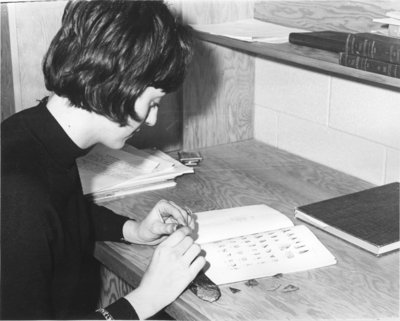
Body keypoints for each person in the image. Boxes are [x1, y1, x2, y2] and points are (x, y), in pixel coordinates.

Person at [1, 0, 206, 319]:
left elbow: (60, 216)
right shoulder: (17, 193)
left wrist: (133, 229)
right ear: (120, 83)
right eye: (153, 102)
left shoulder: (31, 133)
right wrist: (146, 298)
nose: (151, 120)